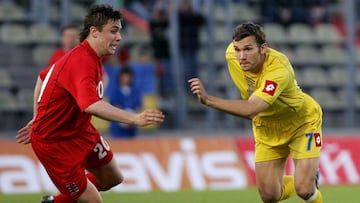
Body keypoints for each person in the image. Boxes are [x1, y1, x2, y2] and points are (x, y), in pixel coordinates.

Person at [15, 4, 164, 203]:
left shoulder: (90, 57)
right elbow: (90, 105)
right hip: (55, 142)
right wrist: (134, 118)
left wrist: (37, 115)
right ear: (94, 31)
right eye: (113, 31)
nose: (119, 37)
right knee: (94, 201)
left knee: (113, 177)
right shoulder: (82, 61)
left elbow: (43, 77)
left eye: (119, 31)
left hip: (81, 131)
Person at [189, 23, 323, 203]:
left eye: (248, 49)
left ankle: (306, 181)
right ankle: (304, 178)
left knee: (304, 190)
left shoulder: (278, 69)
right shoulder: (232, 55)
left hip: (301, 123)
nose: (241, 56)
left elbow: (252, 109)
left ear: (263, 48)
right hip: (266, 127)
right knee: (269, 195)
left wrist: (208, 100)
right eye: (238, 49)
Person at [107, 66, 142, 138]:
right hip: (118, 127)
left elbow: (138, 107)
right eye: (124, 77)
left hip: (132, 127)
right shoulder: (115, 91)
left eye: (128, 77)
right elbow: (114, 107)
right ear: (120, 77)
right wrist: (124, 120)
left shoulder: (135, 91)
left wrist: (133, 120)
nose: (126, 79)